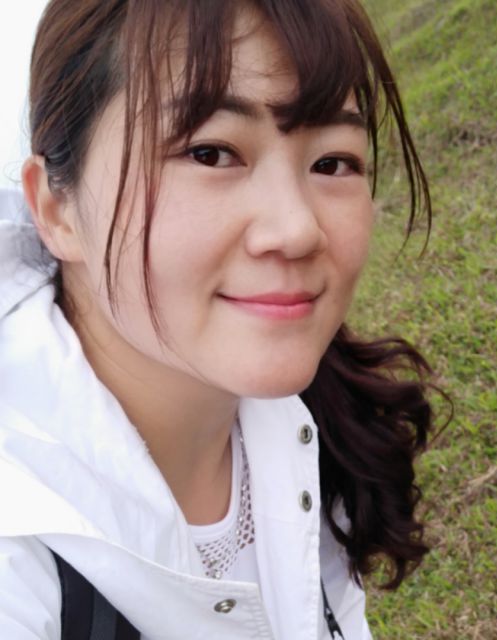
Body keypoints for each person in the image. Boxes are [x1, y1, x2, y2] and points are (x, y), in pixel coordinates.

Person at [0, 0, 435, 638]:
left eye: (332, 162)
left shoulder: (311, 428)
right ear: (56, 209)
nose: (297, 229)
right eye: (210, 153)